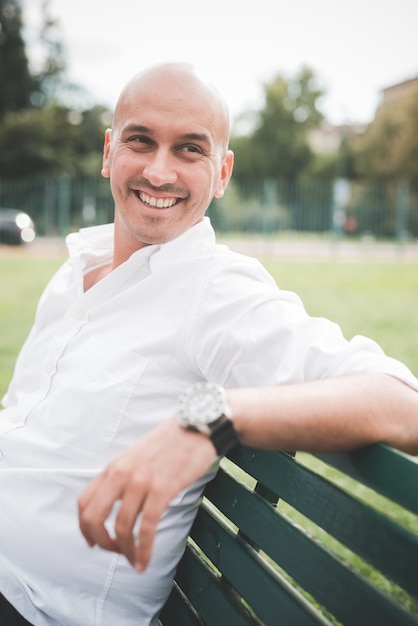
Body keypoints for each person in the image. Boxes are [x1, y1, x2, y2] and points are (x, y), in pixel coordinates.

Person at [1, 62, 417, 626]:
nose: (159, 170)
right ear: (107, 153)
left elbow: (401, 400)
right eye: (140, 140)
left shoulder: (215, 291)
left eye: (189, 150)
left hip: (37, 604)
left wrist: (214, 416)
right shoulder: (77, 268)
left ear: (221, 173)